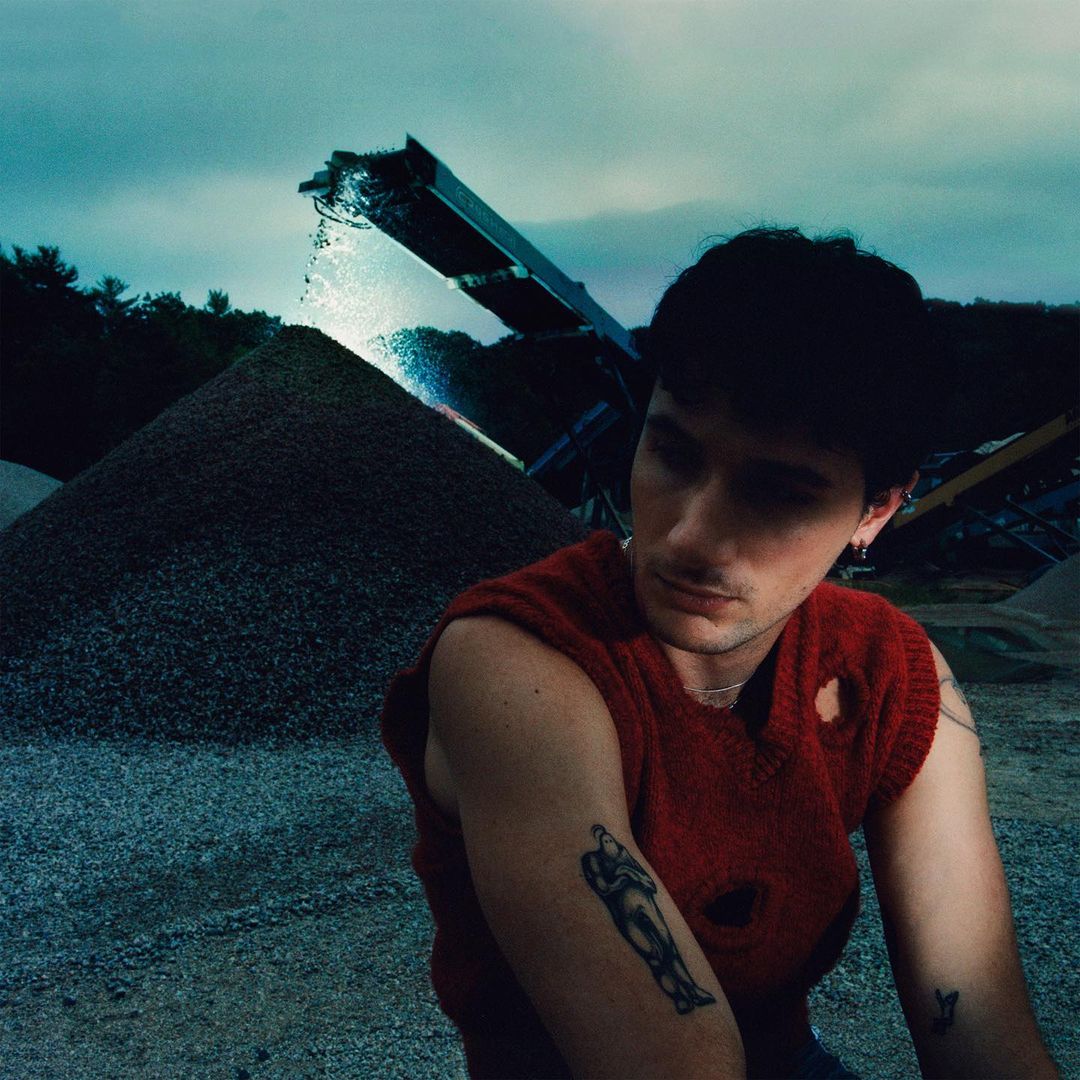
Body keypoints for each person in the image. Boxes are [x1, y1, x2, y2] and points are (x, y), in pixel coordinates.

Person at [381, 228, 1056, 1078]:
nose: (692, 537)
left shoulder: (891, 671)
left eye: (780, 493)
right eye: (673, 453)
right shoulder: (518, 659)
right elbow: (677, 1064)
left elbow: (982, 1034)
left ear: (876, 510)